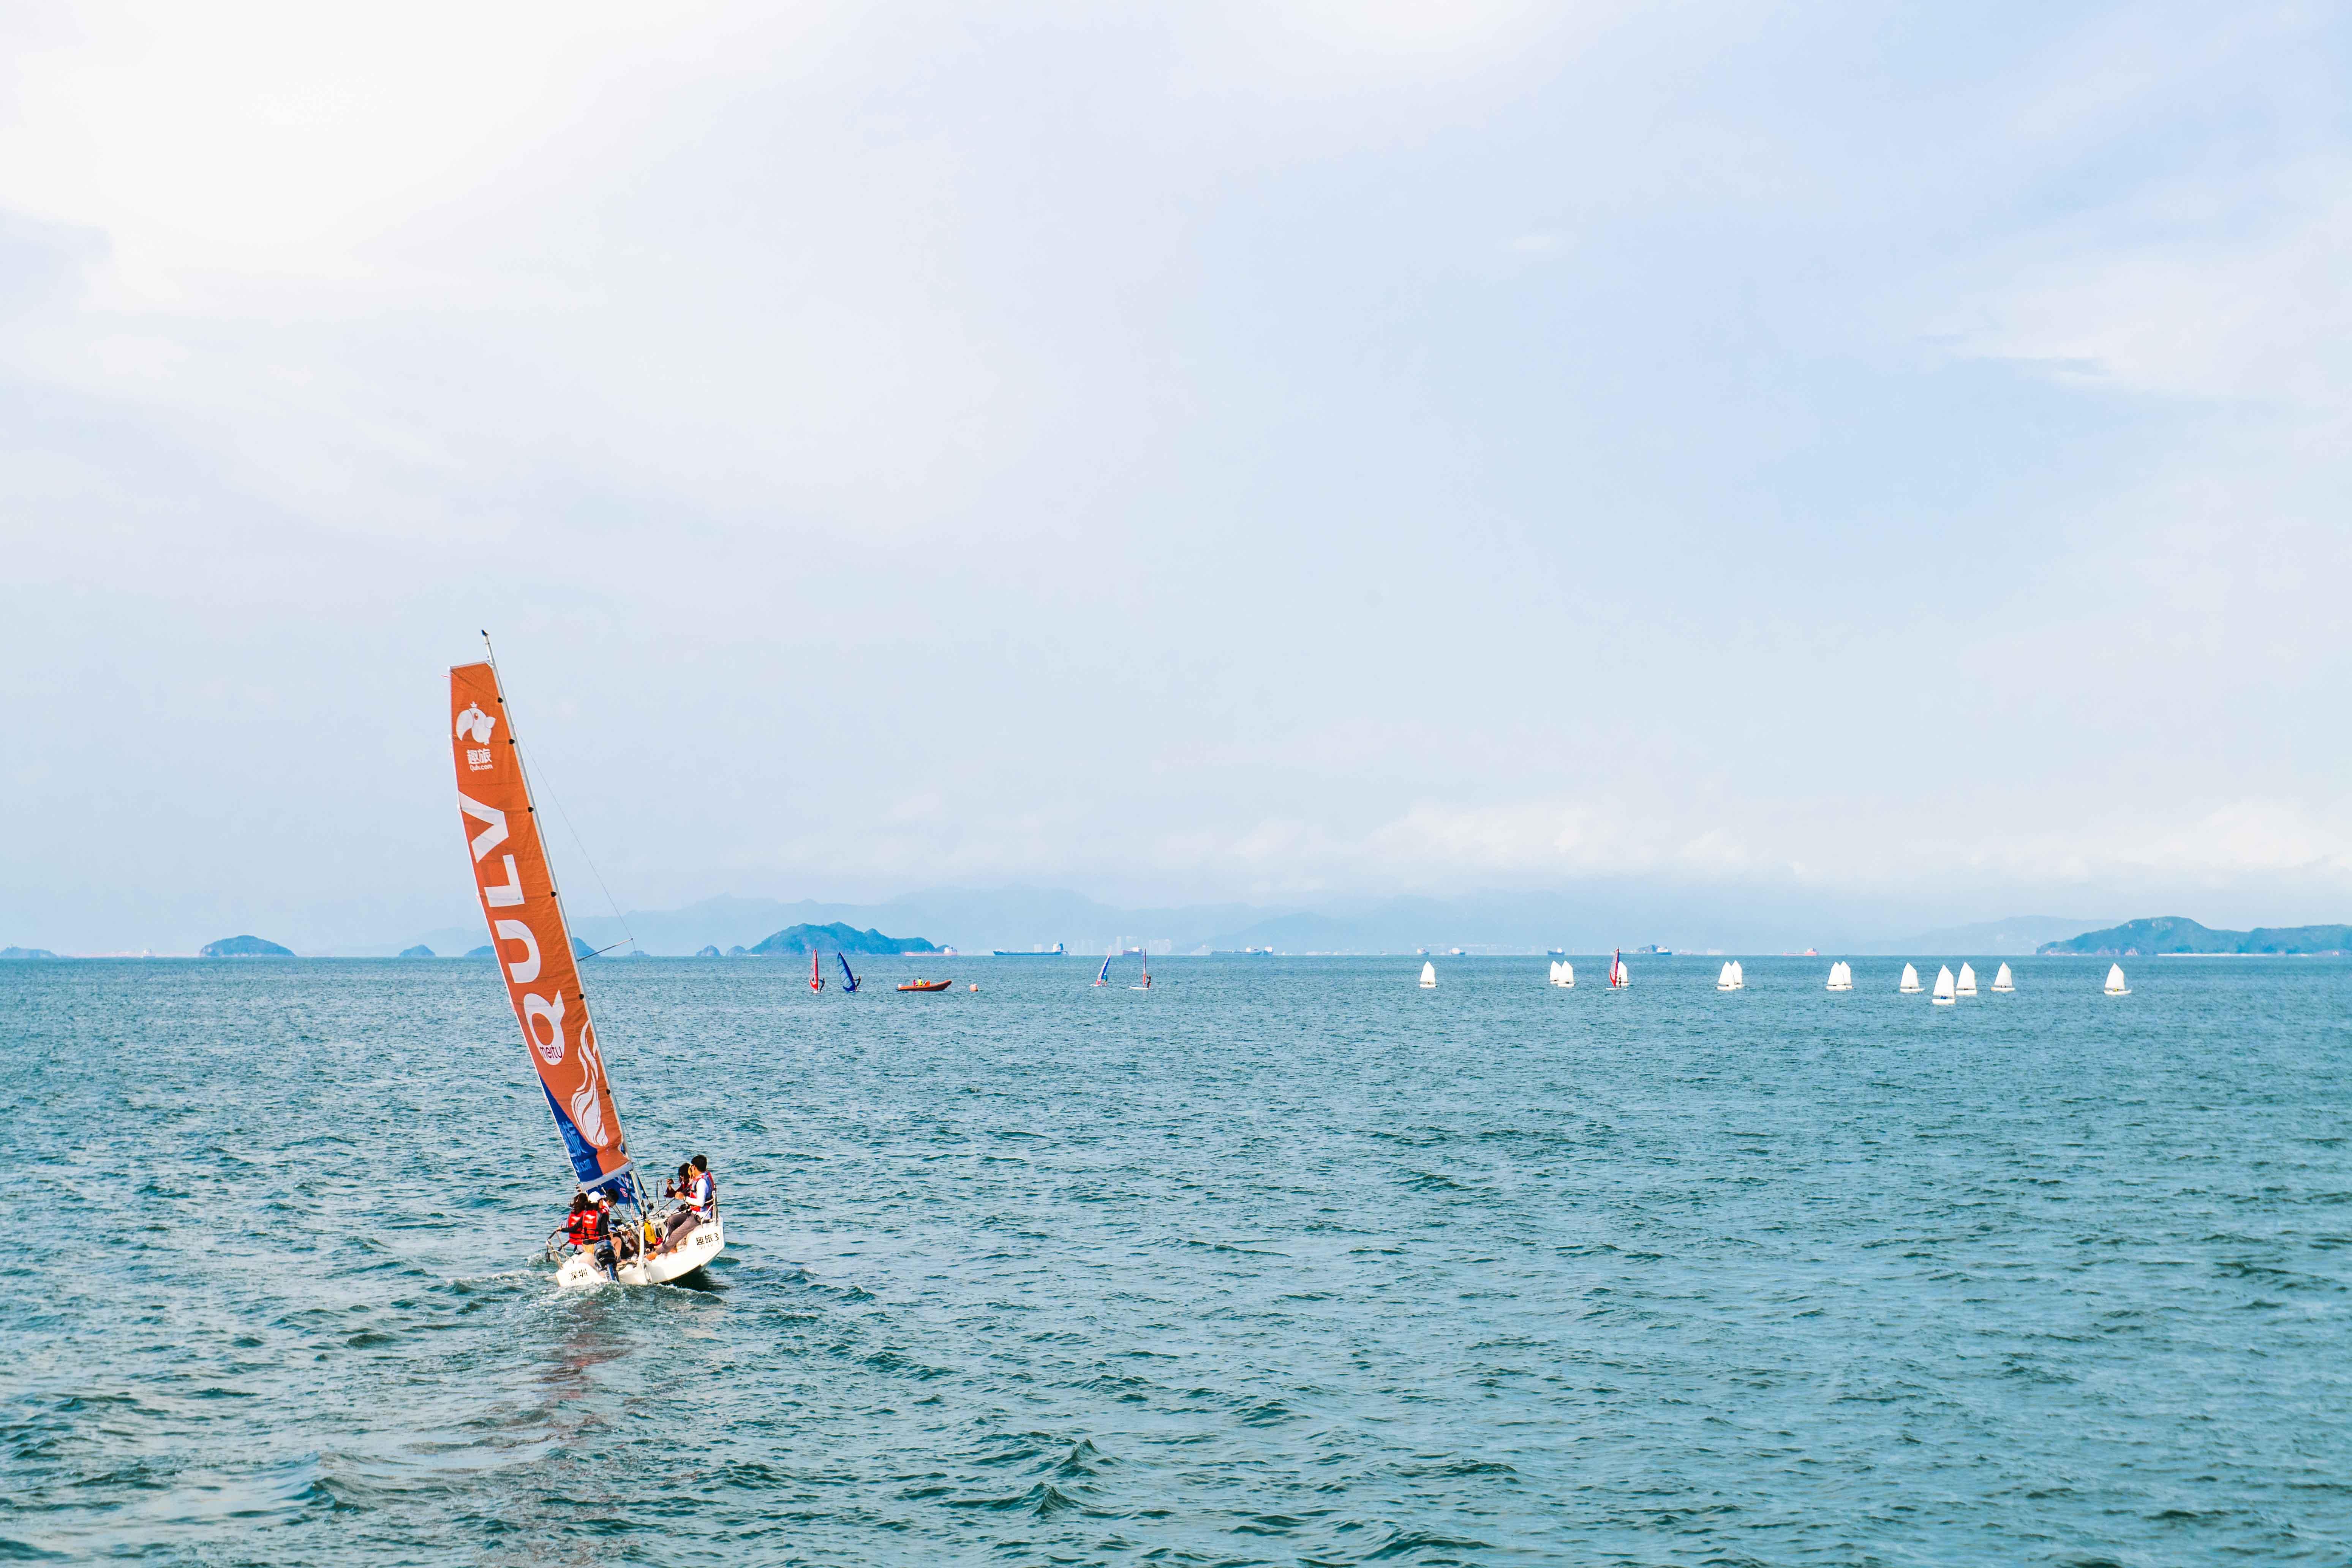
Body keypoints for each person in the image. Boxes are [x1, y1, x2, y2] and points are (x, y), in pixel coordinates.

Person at [660, 1155, 716, 1253]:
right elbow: (676, 1194)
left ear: (694, 1168)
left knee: (675, 1233)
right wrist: (669, 1186)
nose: (681, 1178)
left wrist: (684, 1198)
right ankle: (672, 1247)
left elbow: (700, 1202)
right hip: (694, 1212)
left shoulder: (700, 1182)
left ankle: (661, 1250)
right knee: (671, 1220)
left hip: (700, 1215)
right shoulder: (695, 1181)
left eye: (682, 1175)